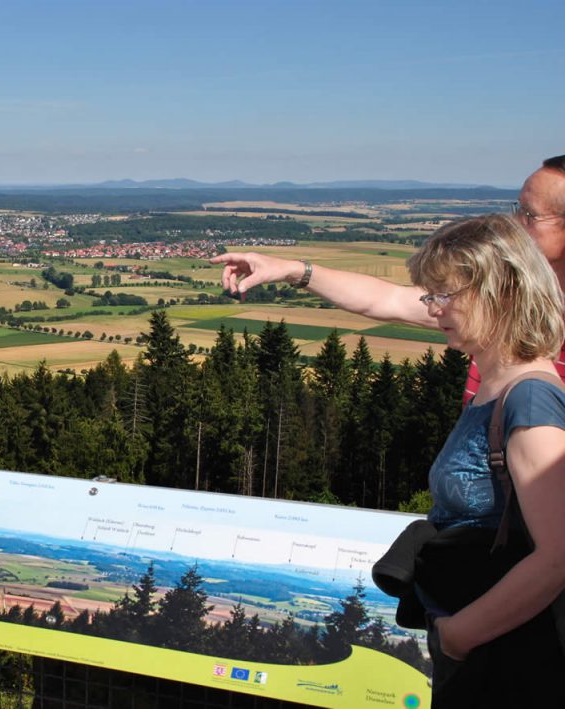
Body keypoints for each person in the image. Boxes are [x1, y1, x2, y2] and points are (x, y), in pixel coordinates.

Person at [210, 155, 565, 399]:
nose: (513, 224)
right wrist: (292, 270)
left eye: (530, 215)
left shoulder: (530, 385)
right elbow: (386, 299)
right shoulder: (499, 308)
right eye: (516, 209)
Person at [402, 215, 565, 706]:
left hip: (508, 659)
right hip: (488, 646)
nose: (434, 309)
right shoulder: (495, 388)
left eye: (446, 294)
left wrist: (459, 636)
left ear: (503, 291)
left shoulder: (530, 400)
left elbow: (558, 556)